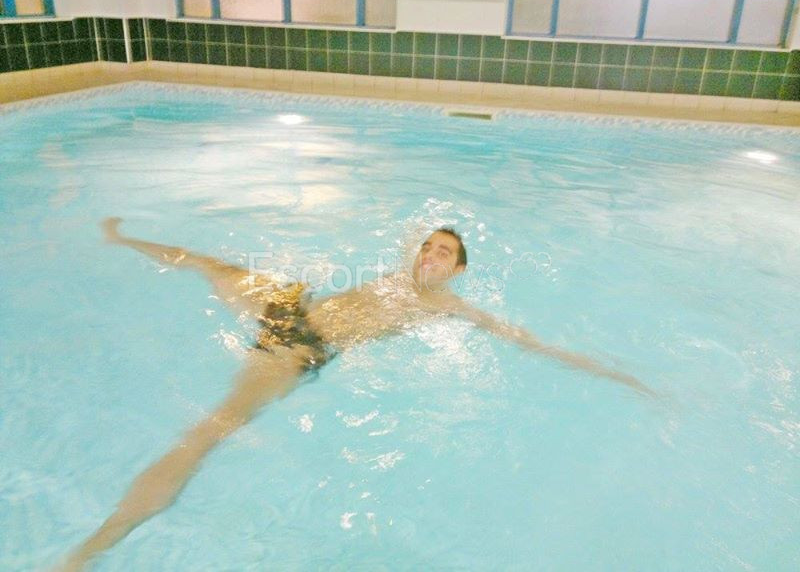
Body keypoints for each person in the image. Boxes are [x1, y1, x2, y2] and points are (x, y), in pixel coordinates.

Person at [61, 218, 654, 570]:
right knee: (211, 265)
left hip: (297, 349)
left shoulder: (450, 306)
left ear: (458, 271)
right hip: (291, 306)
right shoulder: (402, 275)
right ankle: (120, 239)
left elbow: (525, 340)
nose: (431, 254)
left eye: (444, 252)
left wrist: (613, 372)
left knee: (208, 433)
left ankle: (94, 546)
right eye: (428, 246)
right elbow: (405, 238)